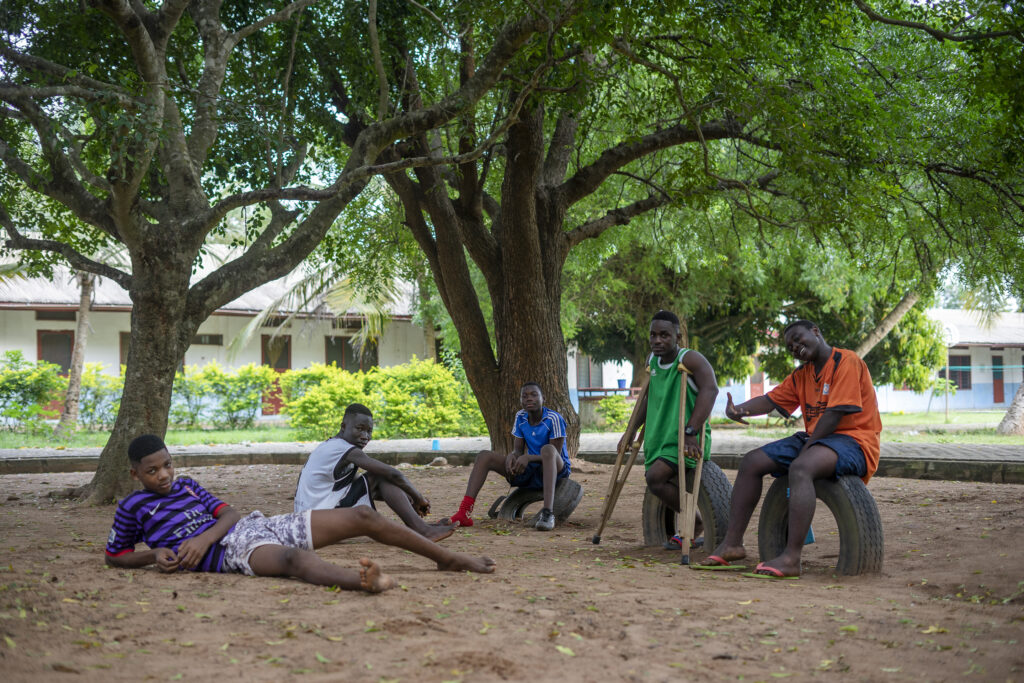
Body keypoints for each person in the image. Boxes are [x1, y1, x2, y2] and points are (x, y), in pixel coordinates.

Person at [105, 435, 495, 593]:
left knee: (364, 516)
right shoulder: (132, 507)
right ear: (135, 474)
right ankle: (364, 582)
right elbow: (115, 556)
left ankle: (447, 559)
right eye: (153, 471)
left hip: (247, 527)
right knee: (293, 560)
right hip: (228, 555)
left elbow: (229, 514)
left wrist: (204, 534)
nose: (164, 475)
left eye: (167, 465)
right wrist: (153, 554)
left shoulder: (188, 484)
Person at [704, 320, 882, 577]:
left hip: (854, 440)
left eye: (799, 339)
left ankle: (791, 558)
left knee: (801, 467)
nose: (796, 347)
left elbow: (834, 414)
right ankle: (732, 543)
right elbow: (770, 400)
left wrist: (808, 447)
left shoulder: (847, 361)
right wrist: (739, 409)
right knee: (752, 462)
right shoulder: (802, 375)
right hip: (818, 438)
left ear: (816, 331)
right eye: (790, 346)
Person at [622, 310, 718, 549]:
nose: (657, 340)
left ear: (678, 336)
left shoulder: (690, 359)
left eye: (664, 335)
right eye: (653, 335)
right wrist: (630, 430)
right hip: (659, 435)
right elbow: (647, 398)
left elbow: (710, 389)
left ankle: (694, 522)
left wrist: (691, 431)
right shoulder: (651, 361)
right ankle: (690, 522)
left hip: (686, 435)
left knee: (654, 478)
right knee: (657, 478)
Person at [293, 403, 454, 541]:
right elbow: (393, 474)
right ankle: (423, 531)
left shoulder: (332, 445)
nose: (365, 436)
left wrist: (408, 499)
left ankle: (420, 526)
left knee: (378, 480)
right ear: (343, 427)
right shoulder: (344, 449)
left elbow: (363, 488)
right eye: (359, 429)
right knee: (380, 476)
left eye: (369, 431)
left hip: (310, 524)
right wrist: (419, 498)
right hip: (319, 525)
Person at [446, 382, 571, 531]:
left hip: (555, 470)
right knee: (484, 456)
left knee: (547, 449)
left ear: (543, 398)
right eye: (524, 396)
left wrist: (528, 457)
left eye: (533, 395)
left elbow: (553, 453)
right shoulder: (520, 417)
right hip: (531, 469)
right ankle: (464, 512)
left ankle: (547, 514)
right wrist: (513, 456)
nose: (528, 399)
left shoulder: (554, 419)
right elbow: (517, 450)